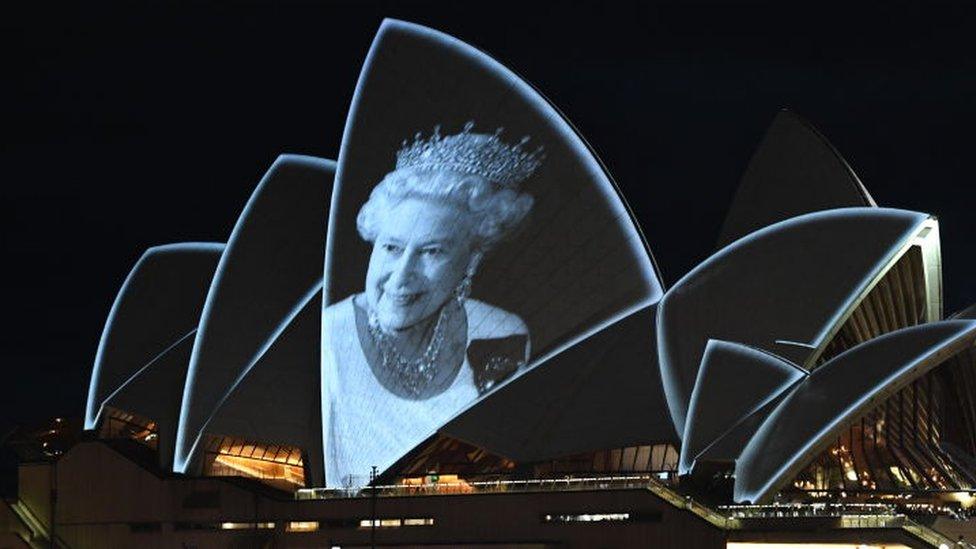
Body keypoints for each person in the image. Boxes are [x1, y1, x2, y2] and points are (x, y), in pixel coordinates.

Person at [322, 122, 543, 487]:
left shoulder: (501, 332)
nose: (401, 275)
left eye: (431, 251)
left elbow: (501, 462)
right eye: (391, 247)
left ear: (470, 261)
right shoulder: (328, 337)